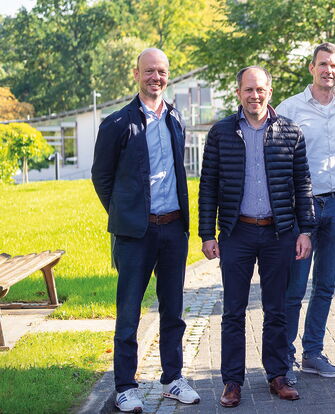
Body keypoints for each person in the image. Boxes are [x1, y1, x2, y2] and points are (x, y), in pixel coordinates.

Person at [198, 66, 315, 407]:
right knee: (233, 310)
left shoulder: (290, 131)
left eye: (260, 89)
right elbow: (208, 186)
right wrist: (208, 233)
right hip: (237, 233)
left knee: (276, 309)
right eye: (248, 89)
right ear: (239, 93)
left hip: (279, 233)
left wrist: (305, 229)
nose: (255, 95)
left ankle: (277, 375)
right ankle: (232, 381)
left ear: (270, 91)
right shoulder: (221, 133)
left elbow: (302, 184)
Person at [91, 48, 200, 412]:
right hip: (135, 235)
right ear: (137, 74)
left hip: (173, 230)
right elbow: (102, 177)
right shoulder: (118, 123)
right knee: (129, 312)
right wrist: (127, 213)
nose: (157, 77)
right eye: (150, 71)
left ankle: (172, 379)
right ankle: (125, 386)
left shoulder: (175, 117)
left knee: (174, 311)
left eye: (163, 71)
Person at [275, 42, 335, 383]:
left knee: (325, 285)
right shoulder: (289, 108)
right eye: (322, 64)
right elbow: (278, 163)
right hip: (301, 209)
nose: (328, 70)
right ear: (311, 67)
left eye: (334, 66)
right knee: (294, 287)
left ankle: (313, 353)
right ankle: (284, 358)